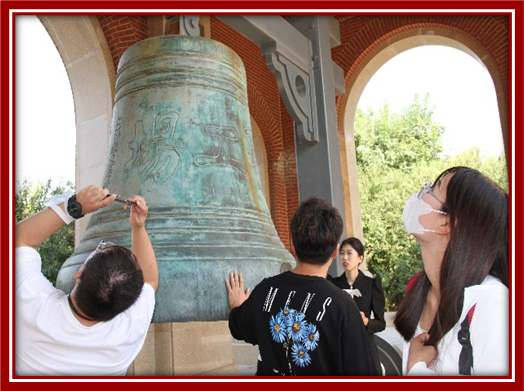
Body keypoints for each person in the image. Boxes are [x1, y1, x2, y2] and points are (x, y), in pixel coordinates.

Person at [15, 184, 159, 376]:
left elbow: (18, 240)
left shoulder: (31, 306)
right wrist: (138, 227)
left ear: (79, 274)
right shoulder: (128, 331)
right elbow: (150, 281)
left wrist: (74, 207)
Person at [225, 197, 378, 376]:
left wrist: (237, 305)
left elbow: (239, 328)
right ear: (335, 252)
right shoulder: (343, 306)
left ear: (292, 245)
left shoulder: (265, 291)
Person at [394, 166, 509, 376]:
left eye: (433, 188)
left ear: (447, 223)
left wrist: (417, 369)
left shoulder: (492, 304)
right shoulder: (418, 297)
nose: (421, 192)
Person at [328, 237, 386, 375]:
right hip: (341, 347)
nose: (345, 257)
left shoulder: (371, 285)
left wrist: (366, 322)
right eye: (342, 253)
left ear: (360, 258)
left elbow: (381, 323)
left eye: (349, 253)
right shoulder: (333, 285)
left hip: (365, 347)